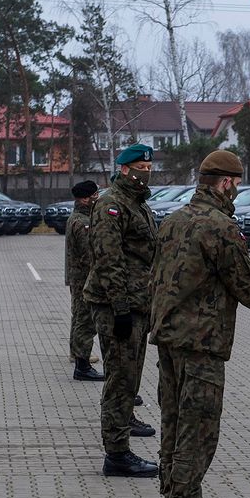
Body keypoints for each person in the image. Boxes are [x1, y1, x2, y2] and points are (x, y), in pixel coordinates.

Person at [149, 150, 250, 498]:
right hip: (202, 345)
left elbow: (155, 279)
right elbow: (243, 283)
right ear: (226, 182)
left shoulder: (173, 220)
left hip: (170, 340)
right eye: (237, 183)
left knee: (173, 424)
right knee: (199, 430)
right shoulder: (220, 226)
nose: (237, 190)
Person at [85, 144, 159, 478]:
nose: (146, 171)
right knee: (119, 378)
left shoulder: (137, 203)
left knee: (129, 377)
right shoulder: (112, 204)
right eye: (141, 167)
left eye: (149, 167)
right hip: (118, 305)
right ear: (125, 169)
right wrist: (121, 308)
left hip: (136, 302)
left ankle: (121, 438)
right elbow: (108, 259)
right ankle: (116, 454)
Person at [65, 180, 105, 382]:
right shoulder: (82, 222)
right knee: (85, 321)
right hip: (84, 279)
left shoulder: (81, 217)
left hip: (80, 278)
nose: (98, 199)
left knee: (80, 318)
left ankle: (79, 357)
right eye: (95, 196)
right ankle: (83, 364)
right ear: (85, 198)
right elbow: (89, 255)